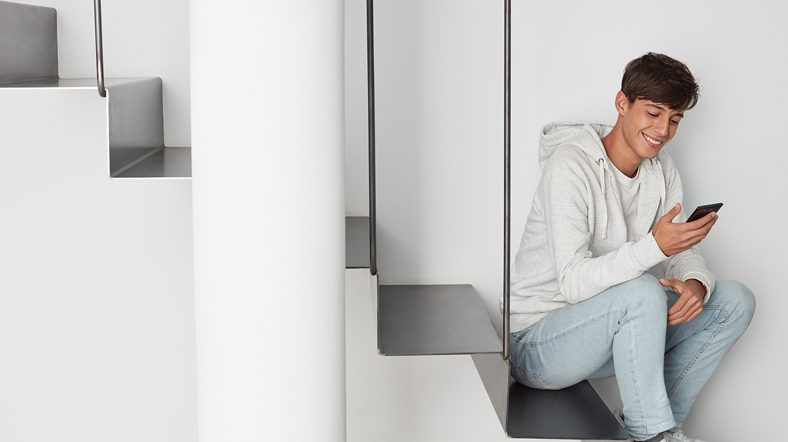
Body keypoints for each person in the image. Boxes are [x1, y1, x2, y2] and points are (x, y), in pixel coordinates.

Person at [507, 53, 755, 442]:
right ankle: (652, 433)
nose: (663, 130)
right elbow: (573, 283)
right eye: (654, 113)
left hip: (606, 334)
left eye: (674, 119)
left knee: (734, 300)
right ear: (623, 103)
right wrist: (654, 247)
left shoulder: (662, 170)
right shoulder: (569, 167)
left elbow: (677, 249)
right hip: (536, 345)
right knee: (641, 291)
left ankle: (656, 428)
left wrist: (695, 282)